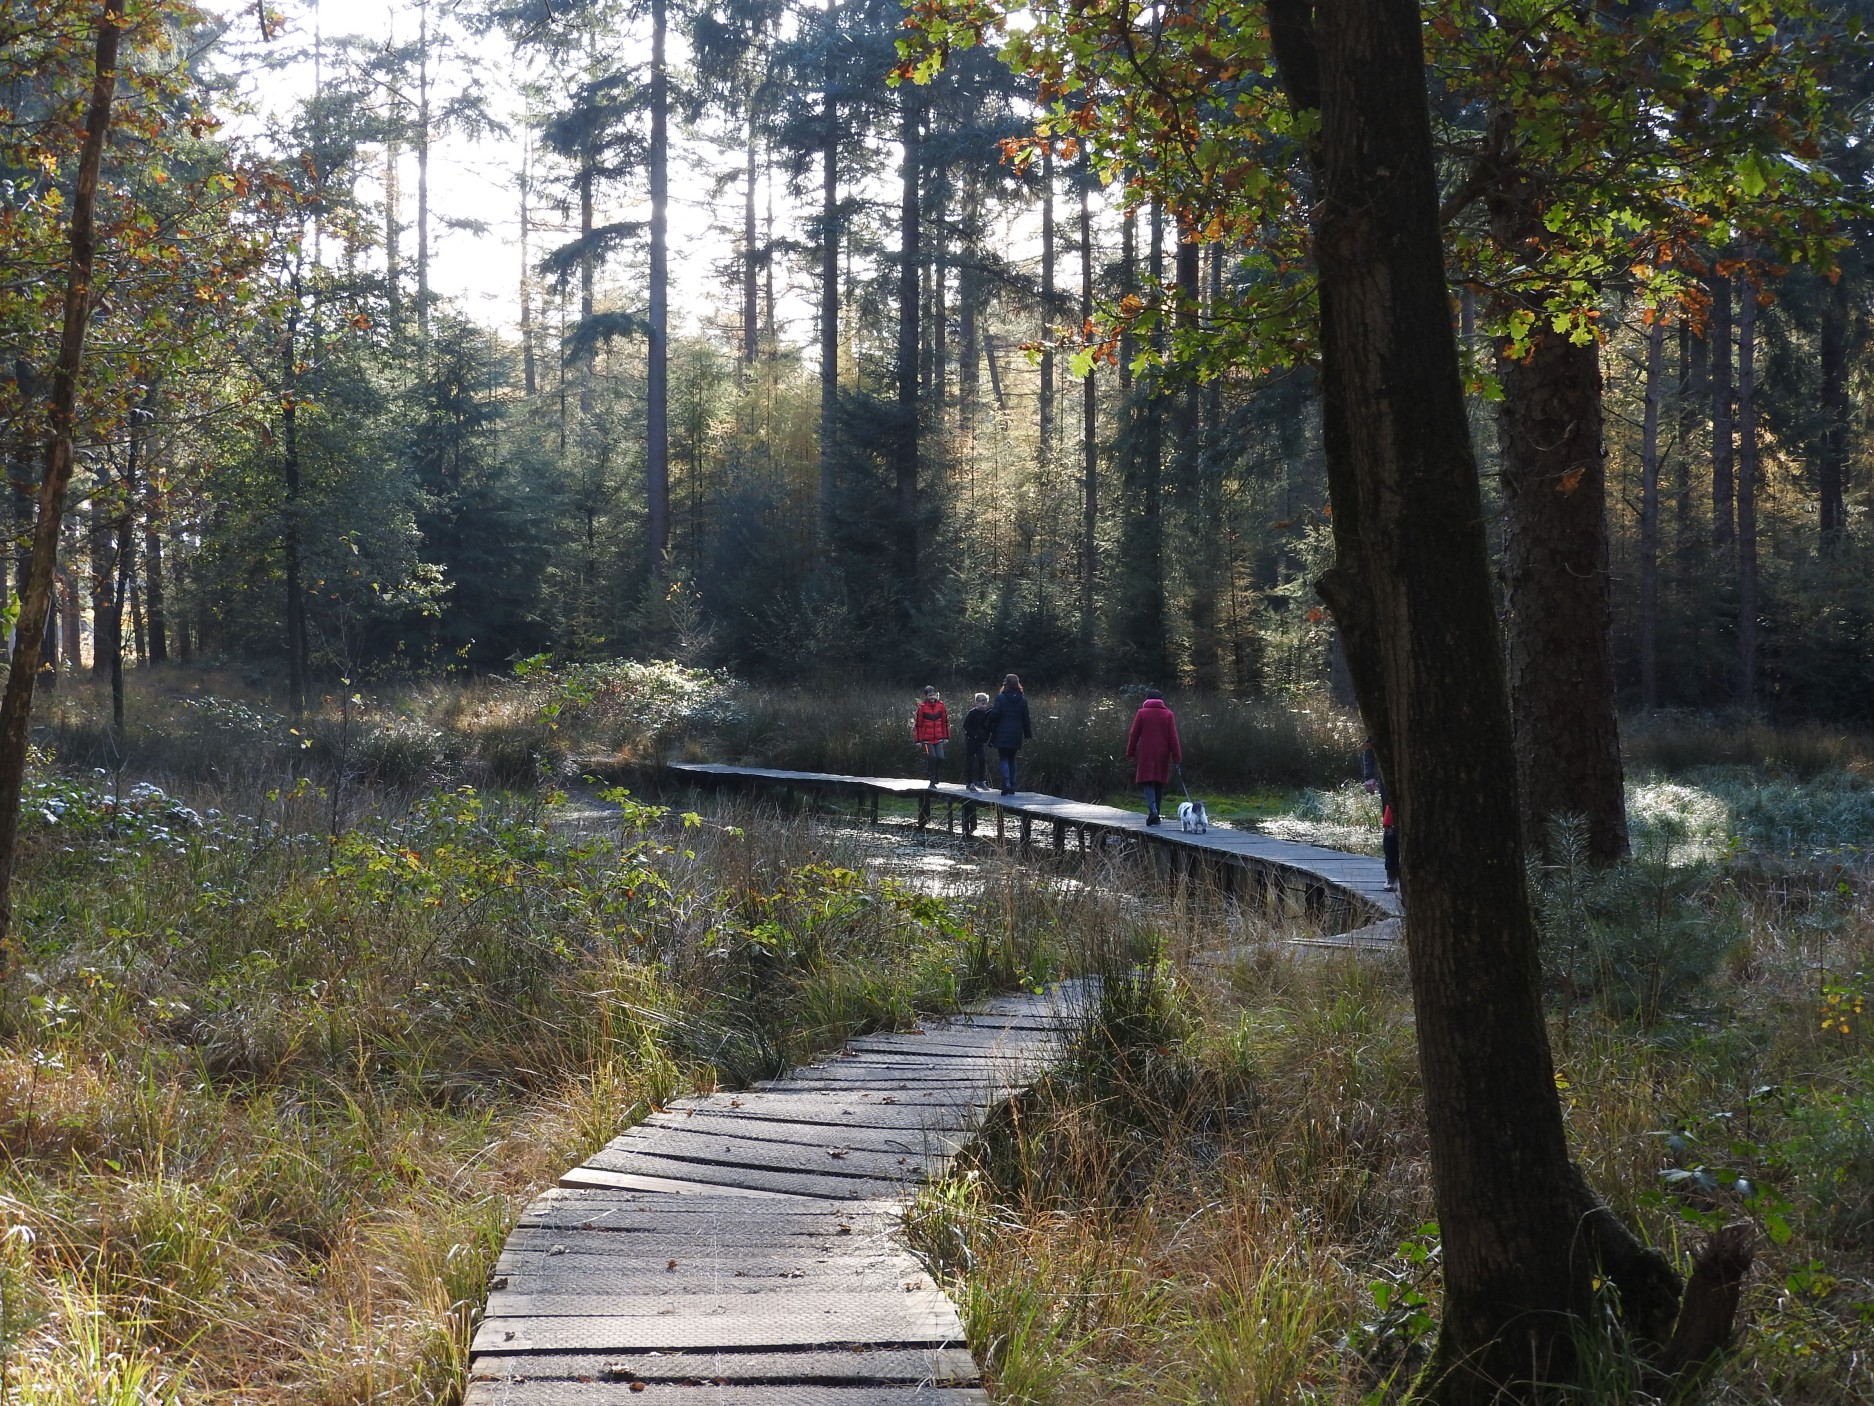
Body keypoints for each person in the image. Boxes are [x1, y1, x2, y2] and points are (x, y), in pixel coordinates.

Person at [1125, 689, 1182, 826]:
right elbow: (1173, 738)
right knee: (1159, 783)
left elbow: (1134, 734)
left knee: (1147, 781)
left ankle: (1153, 811)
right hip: (1163, 753)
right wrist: (1176, 757)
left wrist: (1130, 752)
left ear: (1147, 699)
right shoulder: (1168, 714)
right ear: (1161, 700)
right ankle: (1156, 813)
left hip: (1146, 752)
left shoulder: (1142, 713)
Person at [1361, 736, 1400, 889]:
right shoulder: (1386, 715)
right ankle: (1392, 875)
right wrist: (1369, 776)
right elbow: (1370, 744)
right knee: (1391, 827)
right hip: (1390, 781)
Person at [986, 673, 1032, 794]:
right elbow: (1026, 718)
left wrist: (989, 714)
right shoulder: (1022, 699)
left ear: (1005, 684)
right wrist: (1027, 733)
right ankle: (1012, 785)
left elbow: (995, 714)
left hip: (1002, 732)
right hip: (1016, 733)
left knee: (1003, 759)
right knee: (1012, 759)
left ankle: (1005, 782)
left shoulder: (1000, 698)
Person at [913, 686, 950, 787]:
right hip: (927, 739)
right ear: (926, 696)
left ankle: (937, 775)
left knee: (941, 758)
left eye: (933, 694)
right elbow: (918, 725)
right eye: (930, 695)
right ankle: (932, 779)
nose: (932, 697)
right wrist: (918, 740)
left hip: (939, 737)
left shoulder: (941, 706)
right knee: (932, 757)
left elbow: (945, 722)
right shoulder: (922, 707)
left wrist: (946, 736)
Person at [962, 692, 993, 791]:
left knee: (982, 760)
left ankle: (981, 780)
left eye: (985, 704)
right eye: (982, 704)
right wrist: (973, 734)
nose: (984, 706)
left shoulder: (987, 713)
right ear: (977, 703)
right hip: (971, 740)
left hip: (980, 741)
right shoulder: (972, 713)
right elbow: (965, 725)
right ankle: (969, 782)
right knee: (970, 761)